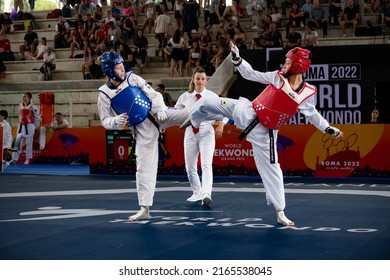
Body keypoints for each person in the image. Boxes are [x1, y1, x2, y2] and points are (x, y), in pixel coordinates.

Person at [183, 42, 344, 225]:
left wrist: (328, 128)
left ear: (298, 65)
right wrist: (237, 58)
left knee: (273, 171)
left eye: (288, 62)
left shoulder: (307, 93)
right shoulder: (278, 77)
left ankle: (280, 211)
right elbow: (252, 74)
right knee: (208, 103)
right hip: (248, 112)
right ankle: (192, 120)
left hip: (265, 134)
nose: (285, 65)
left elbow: (313, 115)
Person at [97, 51, 189, 222]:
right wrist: (116, 121)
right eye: (118, 68)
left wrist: (161, 108)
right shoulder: (104, 94)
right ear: (109, 71)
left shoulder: (132, 78)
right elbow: (105, 120)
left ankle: (222, 116)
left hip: (157, 115)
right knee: (143, 170)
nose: (122, 70)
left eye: (122, 66)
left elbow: (153, 94)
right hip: (141, 131)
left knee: (190, 113)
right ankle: (144, 209)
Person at [175, 67, 227, 206]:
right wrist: (164, 125)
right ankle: (197, 192)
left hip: (206, 132)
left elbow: (226, 111)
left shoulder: (212, 96)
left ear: (206, 81)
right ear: (193, 79)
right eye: (197, 78)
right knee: (190, 167)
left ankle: (206, 193)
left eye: (203, 79)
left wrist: (221, 124)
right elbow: (175, 113)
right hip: (190, 132)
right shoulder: (185, 97)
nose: (200, 81)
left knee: (206, 164)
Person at [12, 92, 40, 165]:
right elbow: (20, 116)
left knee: (29, 143)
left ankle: (27, 159)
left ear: (29, 98)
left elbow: (37, 117)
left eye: (25, 96)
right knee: (17, 143)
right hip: (21, 125)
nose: (24, 98)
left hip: (29, 126)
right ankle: (14, 159)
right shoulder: (20, 106)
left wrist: (35, 126)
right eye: (23, 96)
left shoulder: (33, 107)